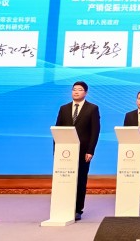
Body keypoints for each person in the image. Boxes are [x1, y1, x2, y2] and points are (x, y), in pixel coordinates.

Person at [54, 81, 100, 221]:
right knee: (64, 179)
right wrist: (56, 150)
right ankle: (63, 206)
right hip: (65, 152)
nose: (76, 92)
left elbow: (95, 131)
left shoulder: (92, 108)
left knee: (80, 180)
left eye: (79, 90)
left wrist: (90, 151)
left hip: (83, 152)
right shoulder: (64, 108)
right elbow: (57, 129)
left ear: (85, 92)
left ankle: (78, 209)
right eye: (74, 89)